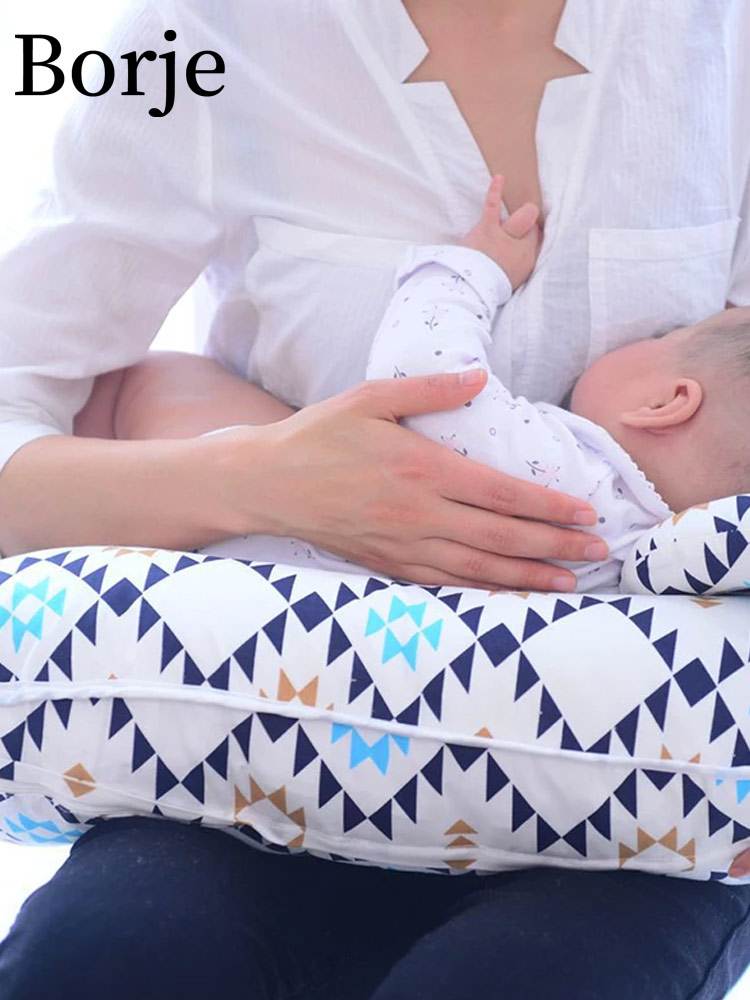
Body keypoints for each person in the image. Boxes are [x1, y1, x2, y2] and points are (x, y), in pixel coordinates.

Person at [0, 1, 749, 997]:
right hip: (261, 740)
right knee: (106, 959)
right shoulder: (203, 35)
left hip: (622, 801)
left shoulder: (721, 39)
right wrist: (258, 475)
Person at [95, 175, 750, 593]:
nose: (647, 338)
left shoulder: (572, 485)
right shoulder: (634, 559)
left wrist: (471, 271)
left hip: (258, 575)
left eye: (665, 337)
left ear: (667, 404)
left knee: (153, 380)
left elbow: (425, 377)